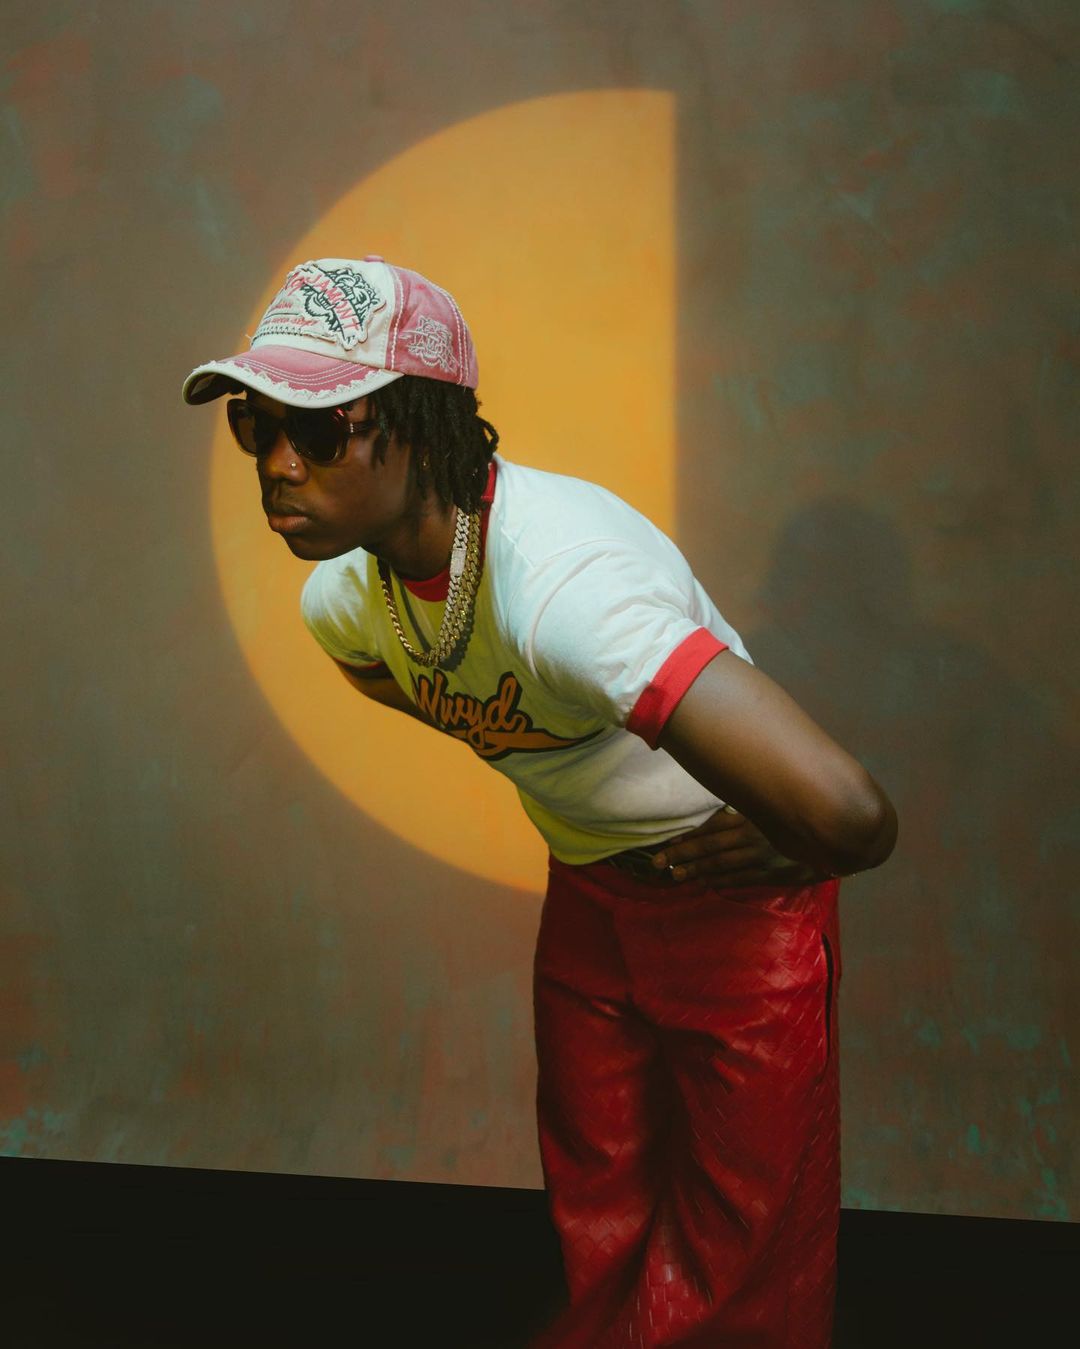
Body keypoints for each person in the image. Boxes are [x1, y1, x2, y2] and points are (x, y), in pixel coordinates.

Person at [183, 256, 897, 1348]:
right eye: (256, 426)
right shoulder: (345, 604)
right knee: (599, 1204)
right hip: (591, 892)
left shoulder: (568, 589)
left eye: (321, 429)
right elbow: (459, 699)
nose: (279, 465)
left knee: (743, 1238)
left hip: (730, 910)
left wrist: (797, 848)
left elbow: (854, 813)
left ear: (421, 427)